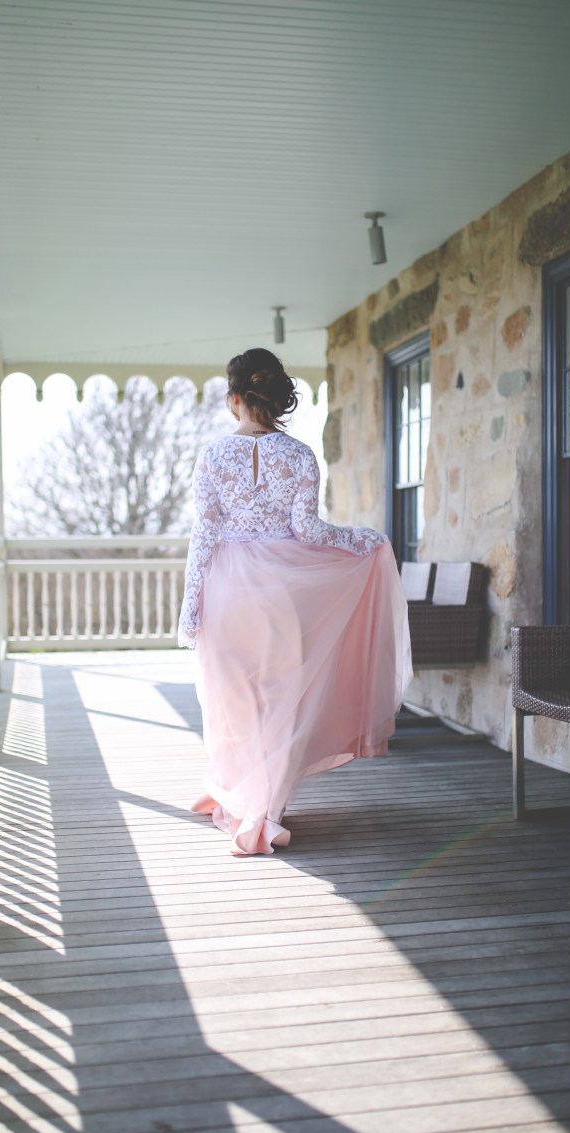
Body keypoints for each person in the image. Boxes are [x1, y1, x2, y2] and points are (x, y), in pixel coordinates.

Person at [178, 347, 412, 856]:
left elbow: (204, 534)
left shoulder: (214, 455)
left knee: (233, 701)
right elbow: (308, 530)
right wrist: (363, 540)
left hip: (227, 591)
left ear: (234, 398)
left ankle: (242, 800)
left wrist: (189, 607)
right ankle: (266, 809)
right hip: (282, 593)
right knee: (281, 700)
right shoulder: (301, 455)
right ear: (275, 398)